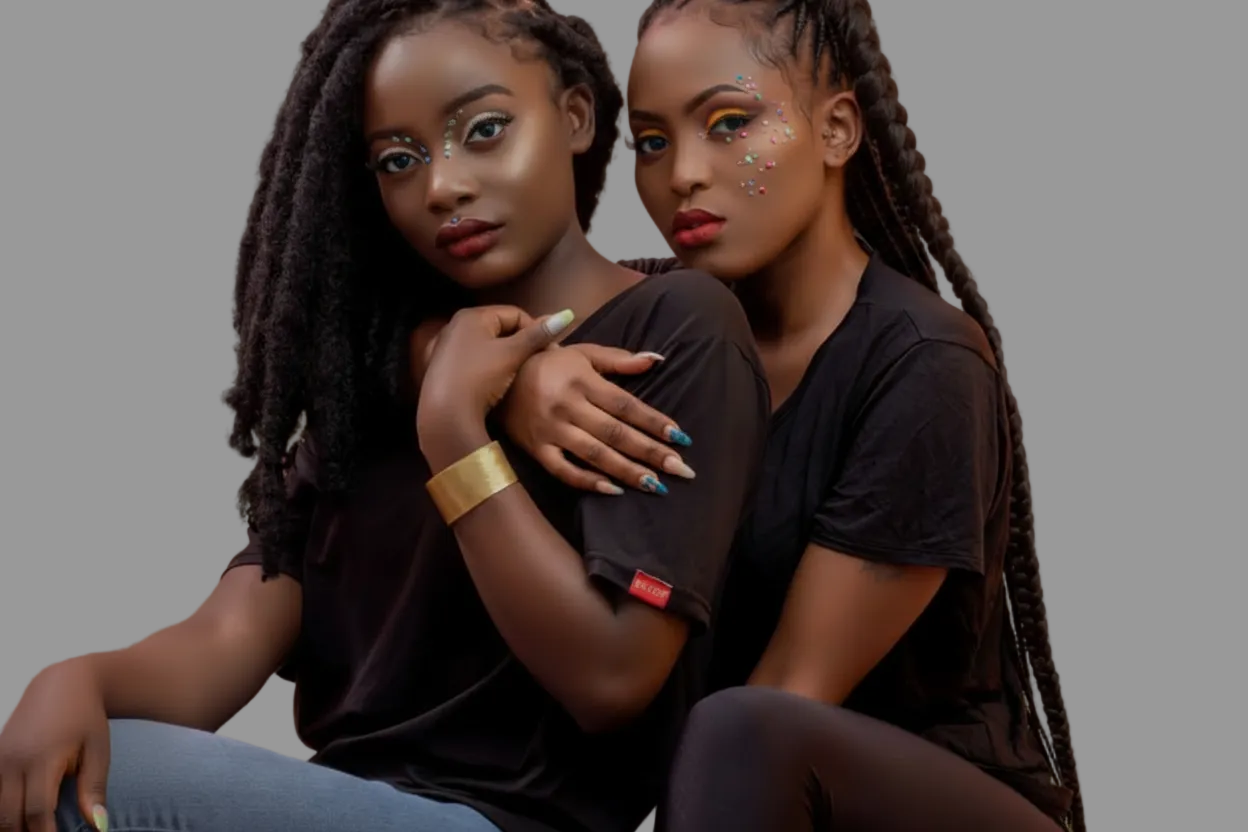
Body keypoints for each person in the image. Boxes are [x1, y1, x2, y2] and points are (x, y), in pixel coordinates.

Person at [0, 3, 770, 832]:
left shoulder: (675, 329)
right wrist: (79, 679)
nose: (442, 186)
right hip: (352, 800)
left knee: (116, 782)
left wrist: (456, 432)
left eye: (483, 129)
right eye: (398, 159)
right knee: (69, 758)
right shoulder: (367, 386)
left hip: (517, 822)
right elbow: (227, 639)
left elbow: (613, 679)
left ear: (576, 115)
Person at [468, 0, 1085, 829]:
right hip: (741, 789)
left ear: (836, 132)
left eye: (727, 123)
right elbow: (435, 332)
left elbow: (791, 689)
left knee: (741, 729)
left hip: (929, 800)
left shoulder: (925, 367)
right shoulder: (656, 322)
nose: (681, 172)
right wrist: (523, 379)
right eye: (652, 142)